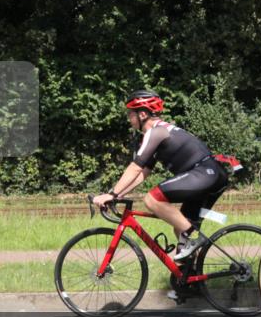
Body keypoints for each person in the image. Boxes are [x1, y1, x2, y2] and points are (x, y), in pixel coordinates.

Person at [92, 90, 228, 268]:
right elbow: (143, 173)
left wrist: (111, 194)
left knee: (152, 199)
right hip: (210, 174)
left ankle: (195, 238)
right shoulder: (157, 133)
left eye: (130, 114)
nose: (129, 118)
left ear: (142, 114)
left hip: (205, 172)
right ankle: (190, 278)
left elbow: (135, 167)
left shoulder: (156, 132)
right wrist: (117, 195)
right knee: (179, 227)